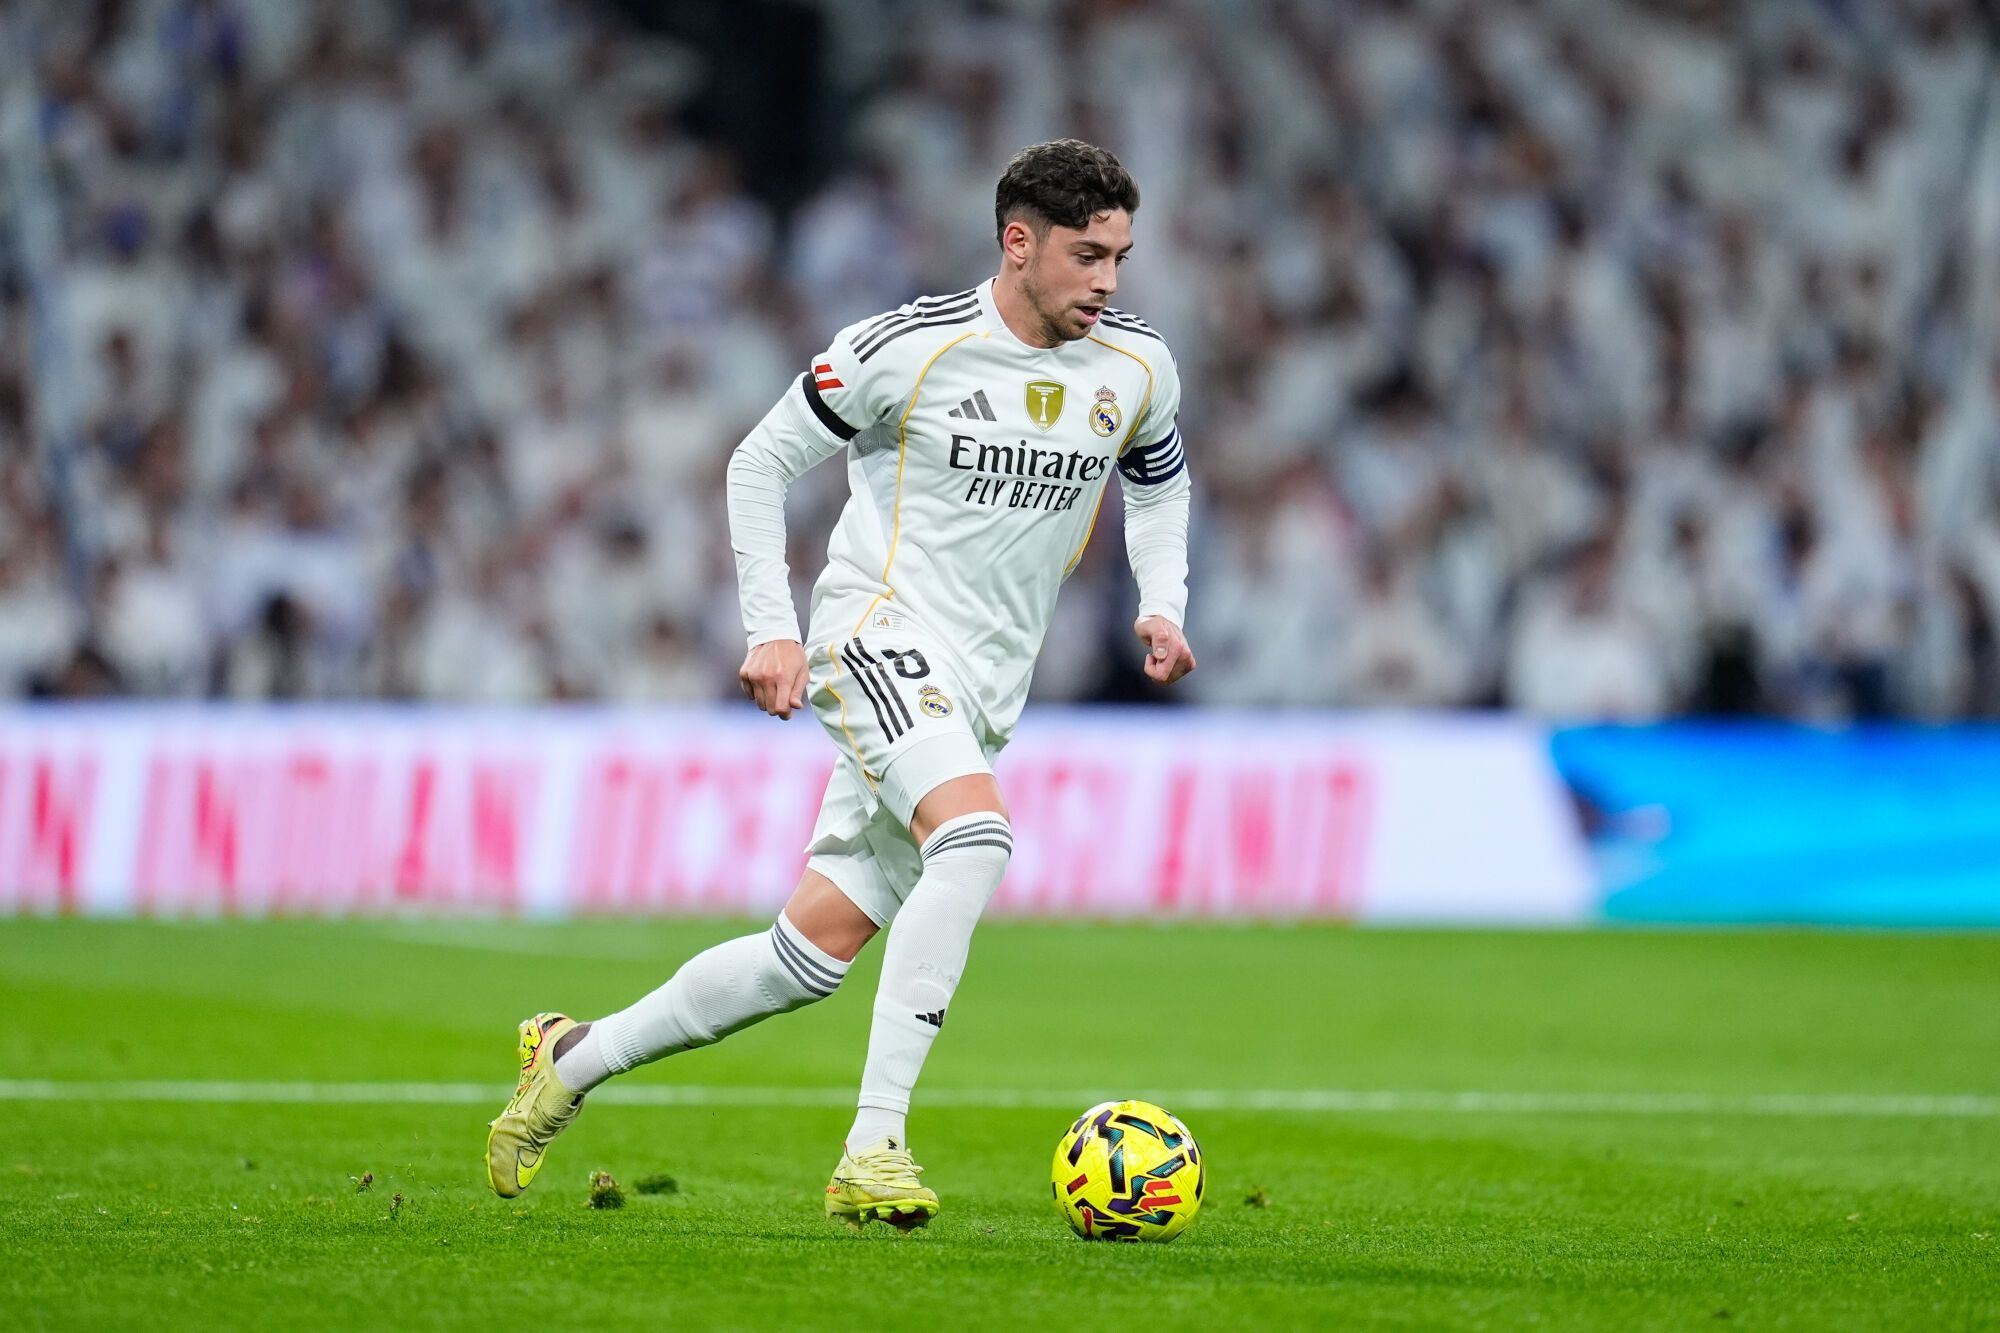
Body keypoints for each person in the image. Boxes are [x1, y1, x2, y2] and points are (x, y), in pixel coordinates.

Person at [486, 139, 1196, 1229]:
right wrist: (772, 630)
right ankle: (874, 1146)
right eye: (1086, 256)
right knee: (977, 839)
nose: (1106, 281)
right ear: (1018, 243)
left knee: (804, 957)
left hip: (985, 687)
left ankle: (571, 1061)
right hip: (874, 632)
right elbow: (757, 461)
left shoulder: (1135, 366)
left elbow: (1156, 481)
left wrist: (1162, 600)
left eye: (1119, 258)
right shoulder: (904, 349)